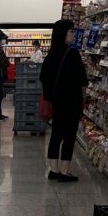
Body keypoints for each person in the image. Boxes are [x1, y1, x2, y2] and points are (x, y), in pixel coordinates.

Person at [40, 18, 87, 182]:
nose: (73, 34)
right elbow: (82, 79)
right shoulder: (72, 53)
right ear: (63, 33)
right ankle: (65, 171)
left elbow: (43, 77)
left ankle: (54, 170)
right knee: (69, 138)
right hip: (72, 102)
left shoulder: (51, 53)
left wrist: (50, 95)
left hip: (56, 103)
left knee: (56, 135)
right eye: (71, 31)